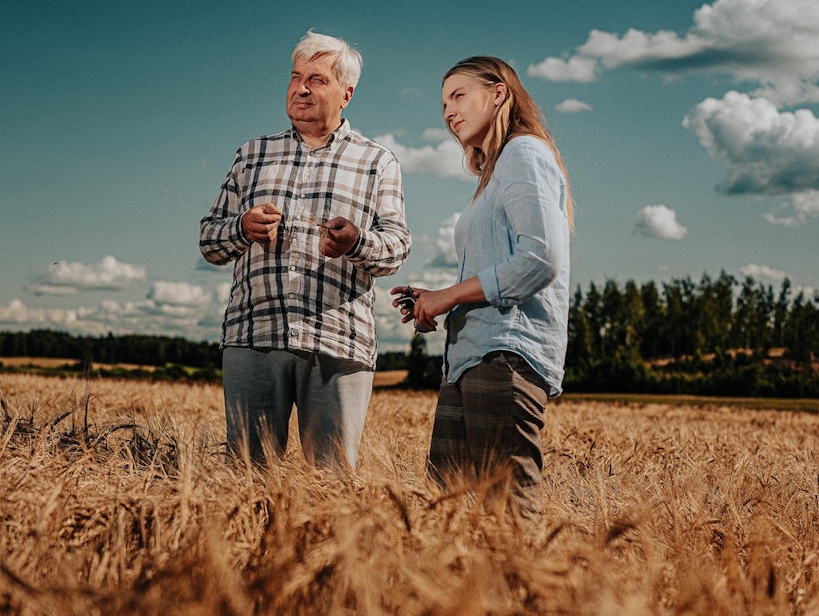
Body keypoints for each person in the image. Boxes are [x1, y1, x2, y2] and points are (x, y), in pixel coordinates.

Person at [199, 30, 411, 470]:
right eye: (296, 77)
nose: (300, 88)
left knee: (330, 490)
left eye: (317, 79)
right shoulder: (252, 155)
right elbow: (209, 241)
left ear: (346, 93)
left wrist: (356, 242)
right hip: (253, 336)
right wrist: (242, 227)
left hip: (338, 343)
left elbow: (395, 249)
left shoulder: (377, 161)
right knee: (246, 481)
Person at [392, 56, 574, 513]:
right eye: (442, 104)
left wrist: (449, 296)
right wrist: (437, 303)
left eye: (458, 96)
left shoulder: (524, 152)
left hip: (504, 356)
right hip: (472, 358)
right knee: (447, 512)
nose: (448, 112)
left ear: (498, 94)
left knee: (507, 513)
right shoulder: (497, 171)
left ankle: (522, 587)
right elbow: (499, 266)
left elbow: (539, 259)